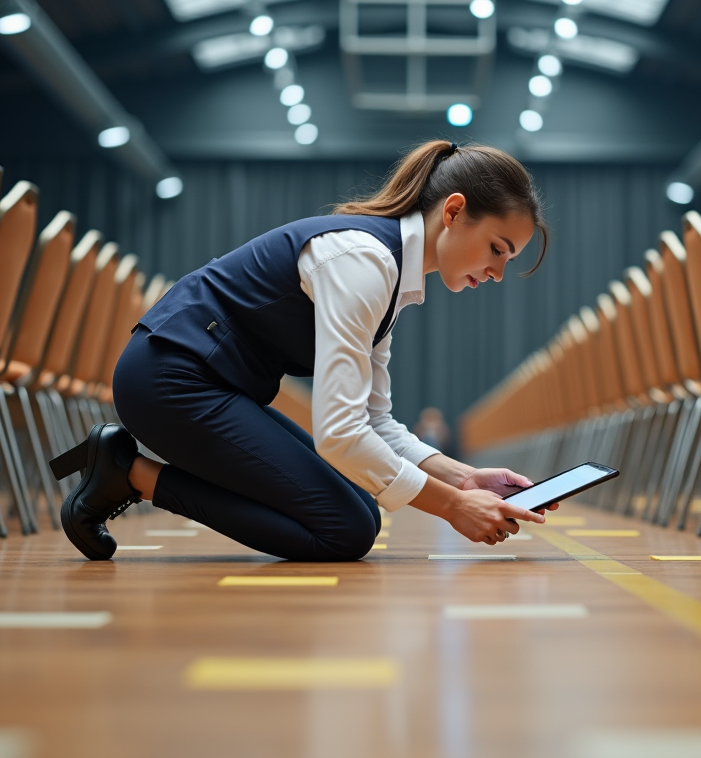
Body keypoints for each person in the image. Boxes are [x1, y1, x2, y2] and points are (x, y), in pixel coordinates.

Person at [48, 140, 556, 562]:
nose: (497, 273)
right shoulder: (364, 261)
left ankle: (124, 472)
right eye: (497, 248)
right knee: (347, 529)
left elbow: (373, 422)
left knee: (358, 505)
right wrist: (451, 507)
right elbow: (340, 435)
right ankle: (130, 474)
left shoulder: (391, 276)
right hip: (169, 380)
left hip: (210, 384)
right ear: (453, 211)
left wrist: (465, 479)